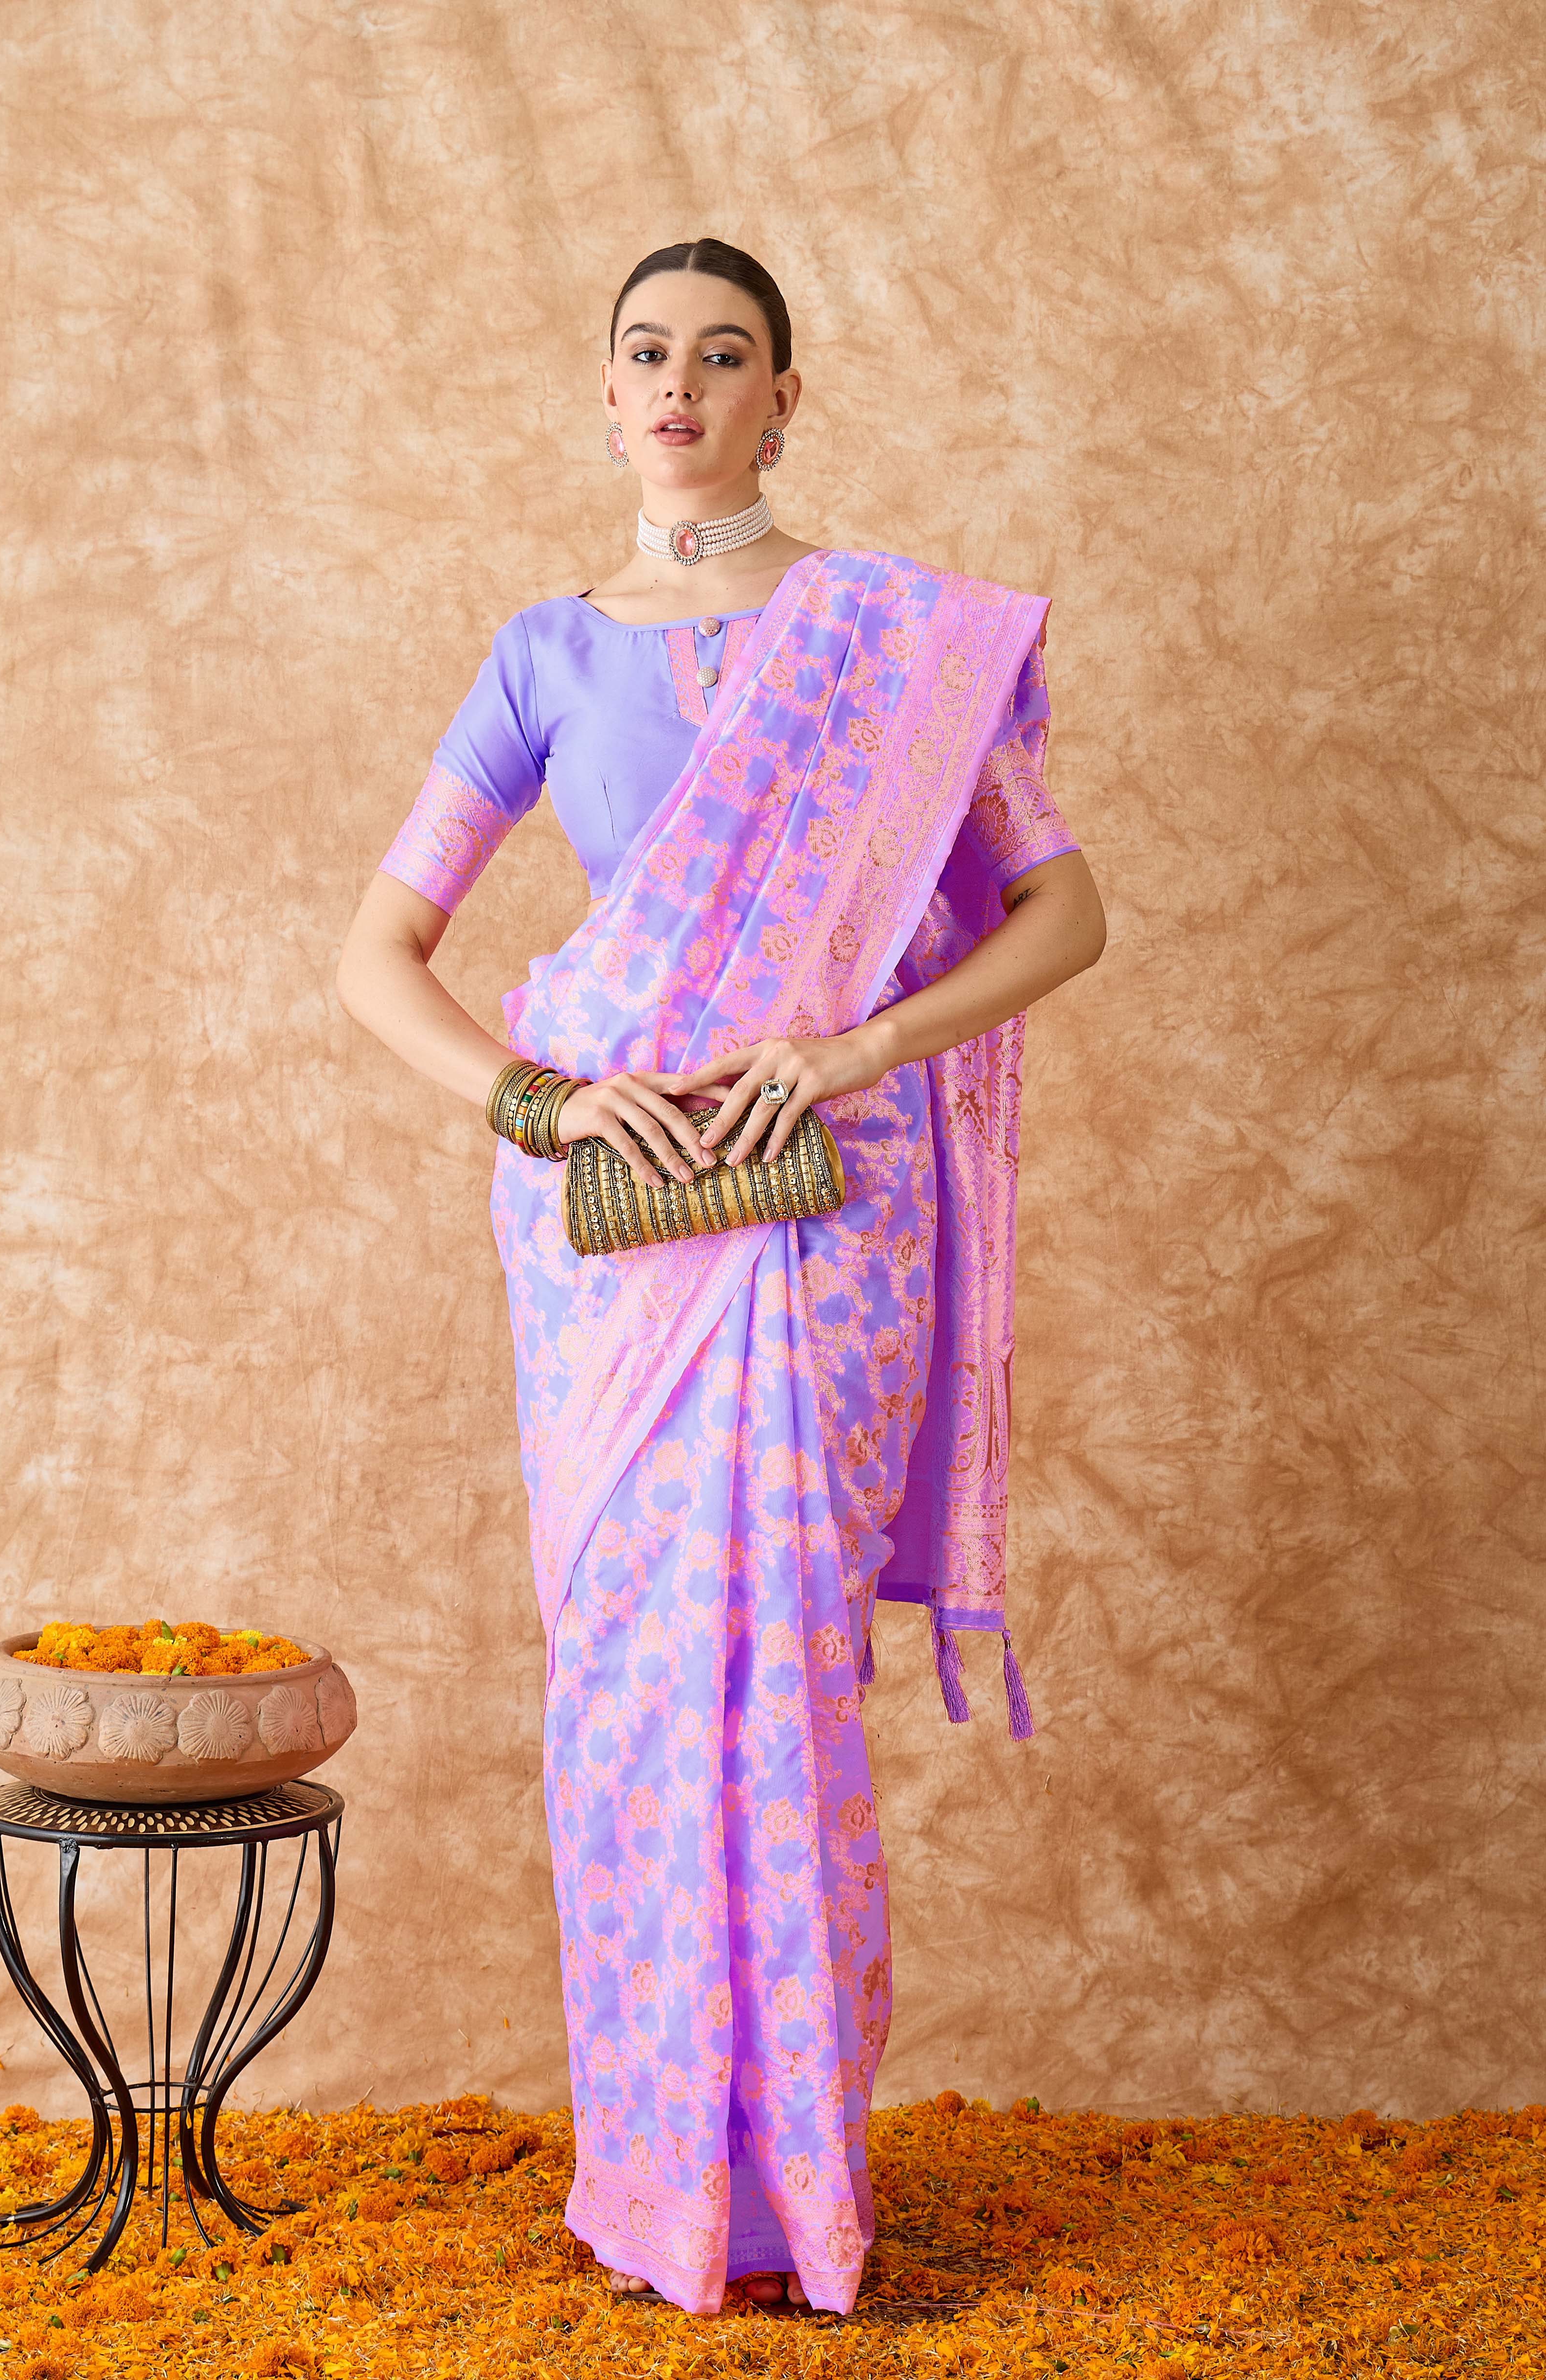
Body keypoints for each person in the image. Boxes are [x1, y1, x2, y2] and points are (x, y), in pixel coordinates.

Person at [336, 236, 1106, 2319]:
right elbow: (377, 953)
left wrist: (863, 1048)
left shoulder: (895, 648)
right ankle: (662, 2182)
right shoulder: (543, 659)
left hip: (828, 1209)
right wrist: (539, 1103)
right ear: (607, 397)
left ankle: (796, 2199)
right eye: (647, 352)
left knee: (784, 1674)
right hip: (611, 1243)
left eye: (726, 353)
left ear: (785, 397)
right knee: (629, 1684)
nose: (681, 382)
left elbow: (1063, 911)